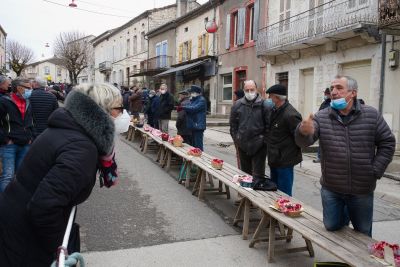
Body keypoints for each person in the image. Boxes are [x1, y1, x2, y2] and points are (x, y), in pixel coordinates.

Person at [0, 83, 128, 266]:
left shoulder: (68, 129)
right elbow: (44, 207)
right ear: (102, 110)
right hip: (24, 236)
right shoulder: (81, 148)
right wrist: (58, 250)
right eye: (119, 109)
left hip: (16, 219)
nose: (122, 114)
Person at [295, 75, 395, 237]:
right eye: (332, 88)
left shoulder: (371, 115)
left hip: (361, 189)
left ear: (353, 93)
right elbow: (304, 143)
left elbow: (388, 143)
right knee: (332, 227)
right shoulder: (322, 116)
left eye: (339, 88)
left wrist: (375, 171)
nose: (333, 92)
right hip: (332, 188)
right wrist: (302, 132)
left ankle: (359, 262)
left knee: (362, 233)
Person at [265, 84, 302, 196]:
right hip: (275, 157)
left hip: (285, 160)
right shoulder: (275, 110)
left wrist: (287, 152)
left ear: (276, 98)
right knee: (274, 190)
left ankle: (285, 212)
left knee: (284, 193)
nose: (269, 99)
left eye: (270, 96)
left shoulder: (290, 114)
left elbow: (299, 138)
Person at [0, 77, 34, 192]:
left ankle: (16, 203)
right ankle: (4, 206)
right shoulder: (4, 101)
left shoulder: (28, 102)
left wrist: (30, 137)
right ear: (19, 88)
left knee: (21, 176)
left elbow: (31, 121)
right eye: (28, 88)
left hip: (25, 144)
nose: (31, 90)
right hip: (9, 145)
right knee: (7, 177)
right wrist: (5, 140)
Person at [230, 80, 269, 178]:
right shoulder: (237, 105)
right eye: (247, 90)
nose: (249, 92)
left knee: (258, 175)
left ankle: (257, 191)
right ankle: (244, 192)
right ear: (244, 90)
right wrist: (237, 139)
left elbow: (269, 126)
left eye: (252, 89)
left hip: (259, 146)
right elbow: (233, 125)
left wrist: (263, 140)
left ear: (256, 89)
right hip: (242, 145)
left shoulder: (264, 105)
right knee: (245, 175)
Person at [183, 85, 207, 150]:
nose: (191, 94)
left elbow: (194, 108)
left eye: (192, 92)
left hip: (198, 125)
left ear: (197, 93)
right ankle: (194, 157)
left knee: (198, 145)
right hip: (193, 124)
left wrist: (183, 107)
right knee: (193, 144)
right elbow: (189, 106)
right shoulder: (194, 100)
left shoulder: (202, 100)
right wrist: (190, 101)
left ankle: (200, 158)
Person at [313, 87, 331, 163]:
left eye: (326, 94)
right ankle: (319, 157)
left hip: (330, 126)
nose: (325, 95)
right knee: (321, 142)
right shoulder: (324, 103)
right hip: (322, 125)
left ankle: (325, 158)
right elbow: (319, 112)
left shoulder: (332, 103)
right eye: (325, 94)